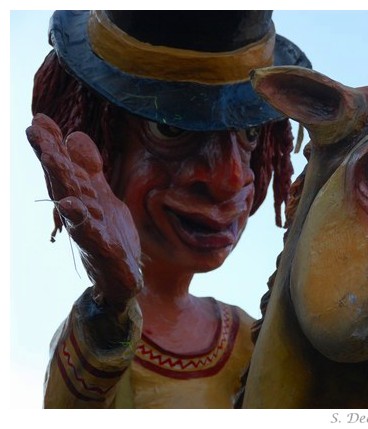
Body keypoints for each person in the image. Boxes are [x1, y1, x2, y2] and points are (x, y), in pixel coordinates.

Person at [26, 10, 311, 408]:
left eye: (248, 136)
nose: (229, 179)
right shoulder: (97, 338)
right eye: (170, 130)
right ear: (99, 144)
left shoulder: (250, 336)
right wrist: (112, 304)